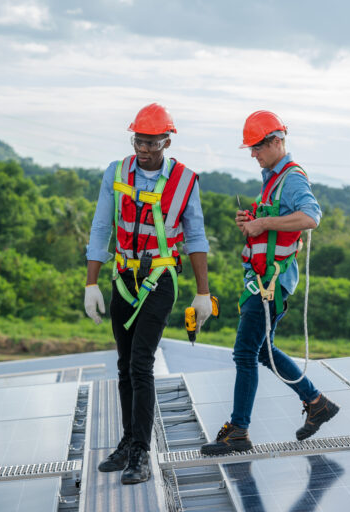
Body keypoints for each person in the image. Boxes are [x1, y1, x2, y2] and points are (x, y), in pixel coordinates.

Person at [84, 103, 213, 484]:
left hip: (159, 279)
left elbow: (195, 237)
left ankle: (141, 451)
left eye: (151, 142)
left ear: (166, 141)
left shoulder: (185, 180)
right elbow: (100, 226)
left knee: (142, 362)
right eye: (138, 140)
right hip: (123, 276)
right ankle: (128, 440)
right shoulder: (117, 172)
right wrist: (91, 281)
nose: (142, 148)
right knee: (124, 365)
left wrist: (202, 292)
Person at [201, 110, 339, 455]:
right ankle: (316, 402)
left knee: (245, 352)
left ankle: (239, 431)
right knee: (261, 350)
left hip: (271, 283)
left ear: (277, 141)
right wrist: (253, 220)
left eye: (258, 147)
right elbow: (277, 223)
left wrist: (263, 225)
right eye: (250, 148)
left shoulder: (291, 177)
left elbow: (311, 217)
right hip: (263, 279)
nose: (253, 154)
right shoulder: (272, 178)